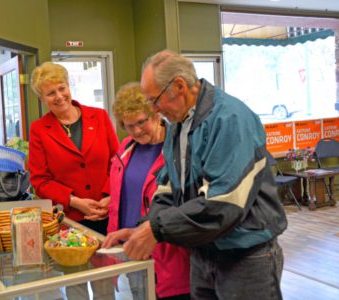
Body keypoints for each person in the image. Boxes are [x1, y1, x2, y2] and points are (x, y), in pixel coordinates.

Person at [117, 50, 288, 300]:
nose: (154, 109)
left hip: (245, 257)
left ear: (179, 86)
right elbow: (168, 187)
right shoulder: (179, 125)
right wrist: (145, 226)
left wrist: (157, 228)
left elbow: (223, 203)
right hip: (203, 254)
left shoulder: (230, 118)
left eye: (155, 100)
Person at [28, 61, 118, 299]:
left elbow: (117, 162)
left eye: (61, 88)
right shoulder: (39, 129)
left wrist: (109, 197)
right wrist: (75, 201)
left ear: (69, 86)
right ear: (42, 98)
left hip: (105, 215)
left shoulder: (98, 117)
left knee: (105, 284)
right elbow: (40, 180)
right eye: (50, 93)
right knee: (76, 285)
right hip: (71, 220)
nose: (59, 96)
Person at [101, 82, 190, 300]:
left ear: (156, 114)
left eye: (141, 122)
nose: (136, 130)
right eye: (129, 126)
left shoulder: (179, 148)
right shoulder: (126, 147)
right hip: (131, 250)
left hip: (167, 253)